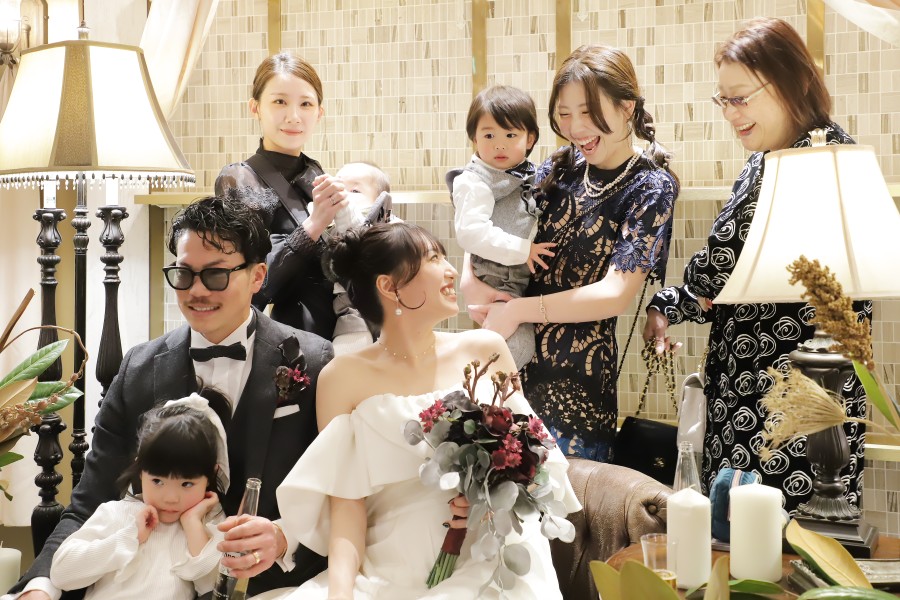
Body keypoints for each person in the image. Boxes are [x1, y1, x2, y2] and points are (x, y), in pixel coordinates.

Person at [7, 194, 333, 600]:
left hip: (275, 588)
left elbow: (341, 496)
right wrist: (39, 587)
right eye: (184, 274)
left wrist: (283, 537)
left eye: (215, 275)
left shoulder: (315, 361)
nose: (196, 291)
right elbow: (90, 502)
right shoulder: (138, 367)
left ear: (257, 276)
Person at [251, 222, 579, 600]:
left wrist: (489, 499)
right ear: (389, 286)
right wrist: (340, 593)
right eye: (433, 258)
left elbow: (533, 458)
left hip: (488, 555)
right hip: (389, 565)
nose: (451, 270)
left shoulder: (485, 349)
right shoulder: (342, 377)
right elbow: (347, 510)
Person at [642, 17, 869, 513]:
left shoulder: (820, 160)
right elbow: (731, 282)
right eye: (722, 100)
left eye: (741, 98)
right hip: (748, 390)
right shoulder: (766, 157)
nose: (730, 113)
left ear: (793, 82)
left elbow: (718, 273)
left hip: (790, 402)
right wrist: (671, 303)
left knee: (783, 541)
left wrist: (675, 298)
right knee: (737, 537)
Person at [467, 45, 679, 462]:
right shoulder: (558, 167)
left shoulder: (651, 186)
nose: (576, 127)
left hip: (577, 385)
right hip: (510, 366)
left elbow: (615, 294)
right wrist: (471, 280)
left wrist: (518, 311)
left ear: (627, 107)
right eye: (564, 114)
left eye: (588, 112)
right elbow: (489, 218)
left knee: (570, 497)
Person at [215, 52, 347, 339]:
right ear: (255, 108)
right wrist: (314, 225)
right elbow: (251, 287)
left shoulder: (315, 173)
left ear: (319, 113)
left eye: (306, 104)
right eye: (279, 102)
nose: (294, 117)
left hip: (341, 334)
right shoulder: (239, 178)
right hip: (286, 344)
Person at [49, 403, 226, 600]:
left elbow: (214, 587)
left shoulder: (209, 524)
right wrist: (130, 536)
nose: (170, 498)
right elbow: (61, 573)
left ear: (211, 475)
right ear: (140, 471)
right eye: (157, 481)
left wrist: (193, 523)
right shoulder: (117, 512)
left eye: (186, 484)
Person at [447, 85, 556, 370]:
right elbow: (470, 233)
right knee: (515, 347)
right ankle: (478, 390)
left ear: (530, 138)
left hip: (520, 280)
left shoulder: (528, 173)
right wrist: (523, 250)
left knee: (510, 347)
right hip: (497, 281)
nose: (499, 145)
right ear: (474, 138)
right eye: (489, 135)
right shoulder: (474, 180)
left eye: (510, 135)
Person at [329, 161, 396, 355]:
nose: (343, 195)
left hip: (384, 307)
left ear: (380, 202)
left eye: (354, 191)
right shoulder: (329, 226)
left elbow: (357, 230)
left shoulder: (390, 227)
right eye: (339, 188)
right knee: (348, 353)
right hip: (349, 310)